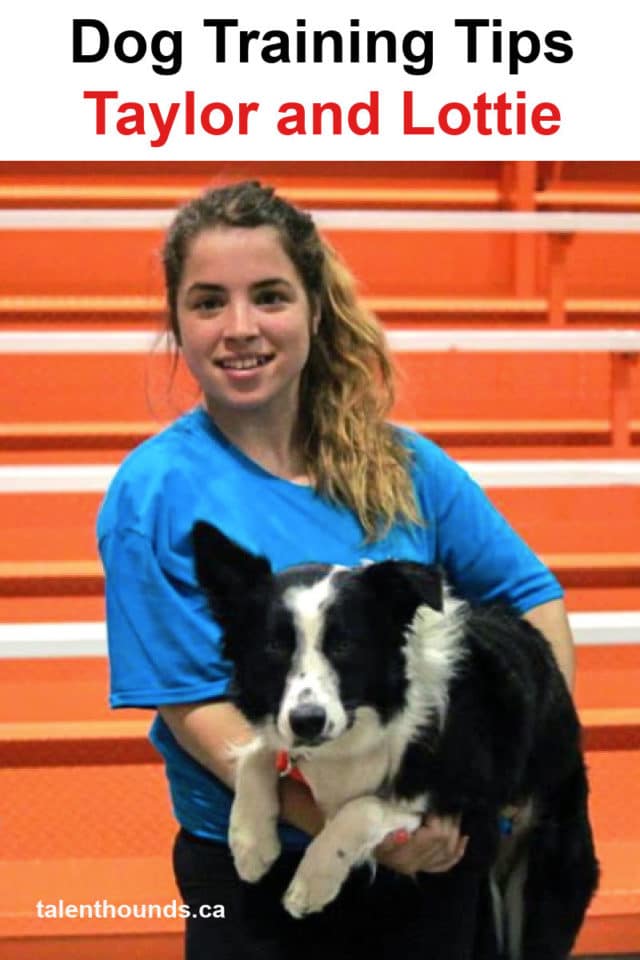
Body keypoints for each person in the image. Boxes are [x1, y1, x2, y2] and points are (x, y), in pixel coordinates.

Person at [97, 181, 575, 960]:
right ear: (176, 321)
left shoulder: (405, 465)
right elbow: (198, 714)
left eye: (271, 297)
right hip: (255, 876)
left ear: (315, 311)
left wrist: (506, 778)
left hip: (433, 856)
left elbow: (532, 599)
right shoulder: (150, 495)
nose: (240, 328)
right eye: (209, 301)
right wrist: (358, 832)